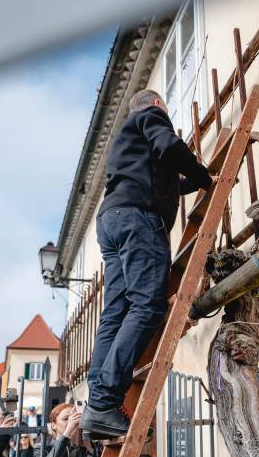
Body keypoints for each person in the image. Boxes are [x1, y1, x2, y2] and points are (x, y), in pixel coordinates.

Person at [80, 89, 213, 438]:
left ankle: (97, 404)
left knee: (116, 312)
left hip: (112, 223)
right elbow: (169, 147)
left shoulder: (127, 143)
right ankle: (105, 401)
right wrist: (204, 178)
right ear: (157, 106)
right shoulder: (150, 116)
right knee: (148, 307)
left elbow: (163, 178)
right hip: (138, 220)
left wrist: (192, 183)